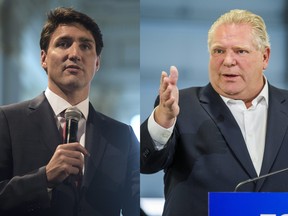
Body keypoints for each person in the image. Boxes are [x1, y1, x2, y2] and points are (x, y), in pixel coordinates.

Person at [141, 9, 288, 215]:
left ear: (265, 56)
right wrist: (163, 119)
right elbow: (145, 163)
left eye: (240, 51)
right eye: (219, 51)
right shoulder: (180, 106)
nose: (228, 60)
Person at [0, 7, 139, 216]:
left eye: (85, 46)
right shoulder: (7, 121)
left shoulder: (122, 136)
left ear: (97, 63)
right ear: (43, 58)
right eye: (64, 44)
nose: (74, 54)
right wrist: (43, 178)